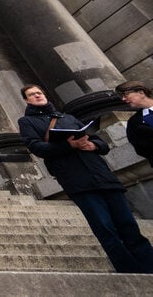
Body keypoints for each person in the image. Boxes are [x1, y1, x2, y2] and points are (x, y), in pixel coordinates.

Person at [18, 84, 153, 273]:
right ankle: (131, 271)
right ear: (26, 100)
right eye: (32, 95)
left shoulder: (68, 117)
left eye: (39, 92)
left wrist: (94, 145)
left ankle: (149, 266)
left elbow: (100, 142)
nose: (37, 96)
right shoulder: (27, 122)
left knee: (128, 223)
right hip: (76, 179)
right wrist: (70, 146)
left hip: (102, 174)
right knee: (105, 228)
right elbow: (36, 147)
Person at [115, 81, 153, 166]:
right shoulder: (134, 122)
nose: (123, 99)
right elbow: (141, 150)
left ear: (141, 92)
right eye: (122, 96)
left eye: (125, 94)